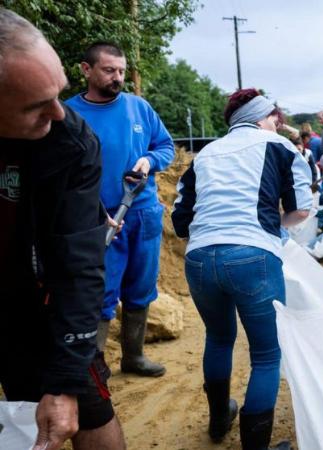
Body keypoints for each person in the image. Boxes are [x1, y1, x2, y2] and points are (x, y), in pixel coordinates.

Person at [0, 8, 126, 449]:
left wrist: (67, 380)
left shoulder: (70, 141)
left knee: (80, 398)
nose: (58, 112)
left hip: (42, 296)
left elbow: (80, 264)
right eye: (36, 104)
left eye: (60, 94)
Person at [172, 88, 311, 450]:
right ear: (262, 118)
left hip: (200, 258)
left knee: (218, 338)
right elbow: (301, 209)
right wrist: (273, 225)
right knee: (266, 354)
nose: (277, 123)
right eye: (274, 117)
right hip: (252, 255)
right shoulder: (277, 145)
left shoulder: (205, 155)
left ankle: (219, 419)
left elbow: (180, 219)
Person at [65, 42, 173, 378]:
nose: (118, 78)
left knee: (141, 289)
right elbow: (59, 173)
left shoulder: (139, 108)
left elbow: (165, 146)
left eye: (122, 71)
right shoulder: (69, 115)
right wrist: (92, 212)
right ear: (86, 70)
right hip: (100, 220)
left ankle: (134, 357)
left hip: (143, 214)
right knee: (101, 293)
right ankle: (94, 365)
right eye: (109, 70)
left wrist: (149, 160)